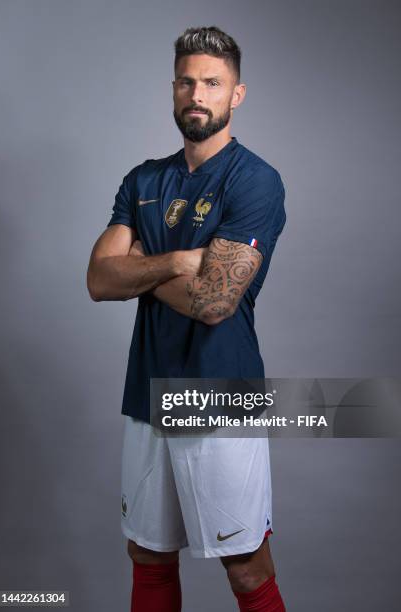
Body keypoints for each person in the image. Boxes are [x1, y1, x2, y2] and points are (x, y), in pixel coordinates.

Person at [87, 25, 287, 612]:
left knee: (247, 570)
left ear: (237, 94)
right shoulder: (144, 179)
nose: (197, 94)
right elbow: (99, 279)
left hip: (221, 392)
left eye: (212, 83)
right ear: (173, 89)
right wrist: (175, 260)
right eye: (186, 81)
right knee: (147, 557)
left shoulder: (255, 179)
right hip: (148, 391)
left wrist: (139, 268)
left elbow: (215, 302)